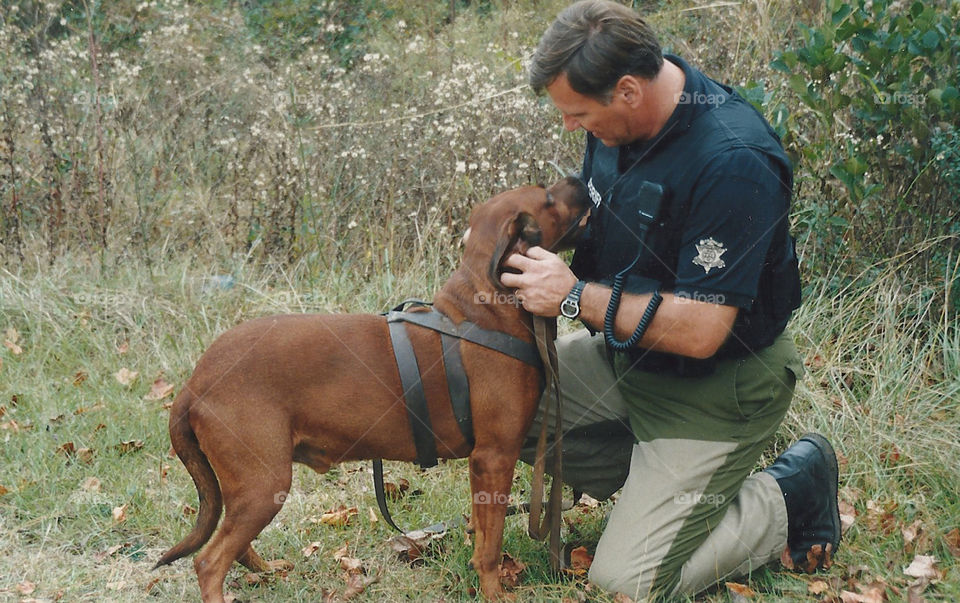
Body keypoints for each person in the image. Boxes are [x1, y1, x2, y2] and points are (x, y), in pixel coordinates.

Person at [499, 0, 841, 599]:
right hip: (625, 360)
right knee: (497, 399)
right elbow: (612, 230)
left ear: (628, 90)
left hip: (717, 388)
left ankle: (788, 492)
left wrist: (573, 297)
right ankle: (660, 492)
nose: (570, 128)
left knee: (625, 582)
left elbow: (702, 330)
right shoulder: (619, 127)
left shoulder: (733, 160)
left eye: (577, 113)